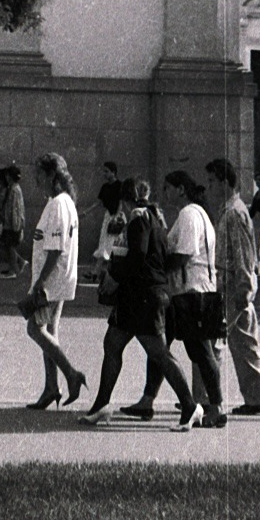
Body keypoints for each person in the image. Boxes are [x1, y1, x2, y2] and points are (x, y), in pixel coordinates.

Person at [79, 177, 203, 431]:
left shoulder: (138, 217)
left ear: (125, 199)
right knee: (113, 343)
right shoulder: (152, 217)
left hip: (142, 297)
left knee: (158, 353)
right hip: (141, 295)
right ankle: (102, 404)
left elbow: (137, 257)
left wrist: (114, 276)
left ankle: (191, 406)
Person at [129, 171, 223, 429]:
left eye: (168, 188)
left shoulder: (189, 214)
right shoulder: (195, 213)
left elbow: (183, 255)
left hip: (192, 293)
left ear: (181, 189)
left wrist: (156, 270)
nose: (165, 192)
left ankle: (217, 407)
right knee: (160, 343)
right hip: (184, 293)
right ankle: (147, 400)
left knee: (201, 352)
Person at [204, 157, 260, 417]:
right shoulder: (230, 210)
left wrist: (244, 287)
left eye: (212, 181)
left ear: (224, 182)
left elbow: (245, 252)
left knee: (214, 344)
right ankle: (257, 398)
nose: (209, 187)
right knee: (242, 344)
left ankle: (208, 399)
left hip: (232, 287)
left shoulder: (234, 212)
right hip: (229, 286)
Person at [21, 152, 86, 409]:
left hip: (52, 280)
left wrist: (40, 283)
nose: (35, 178)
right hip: (58, 279)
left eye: (39, 173)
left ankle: (72, 375)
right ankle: (51, 387)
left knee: (34, 329)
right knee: (49, 331)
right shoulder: (63, 201)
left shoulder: (58, 204)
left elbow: (56, 248)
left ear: (50, 175)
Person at [83, 161, 123, 279]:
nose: (104, 174)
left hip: (117, 218)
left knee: (113, 245)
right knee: (104, 243)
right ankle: (96, 272)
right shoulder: (105, 187)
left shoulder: (119, 185)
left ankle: (102, 273)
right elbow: (99, 202)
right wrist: (86, 212)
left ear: (113, 172)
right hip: (108, 217)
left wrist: (117, 217)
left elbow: (121, 202)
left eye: (106, 171)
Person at [0, 164, 26, 278]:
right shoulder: (13, 188)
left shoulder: (14, 190)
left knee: (9, 246)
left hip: (12, 224)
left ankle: (13, 270)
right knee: (7, 245)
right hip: (10, 222)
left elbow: (15, 208)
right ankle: (18, 263)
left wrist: (15, 225)